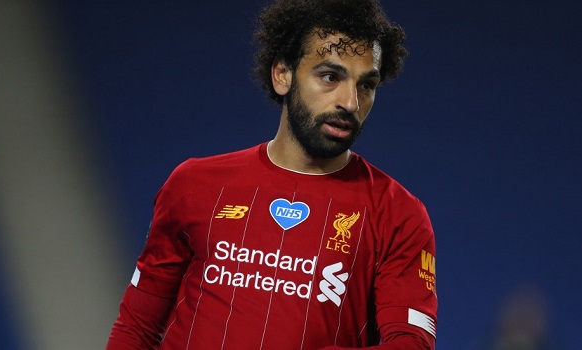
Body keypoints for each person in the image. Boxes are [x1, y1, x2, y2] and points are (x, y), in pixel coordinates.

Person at [106, 0, 438, 349]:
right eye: (330, 76)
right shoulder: (193, 185)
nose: (350, 102)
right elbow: (136, 328)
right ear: (282, 75)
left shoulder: (399, 214)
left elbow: (411, 343)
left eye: (366, 85)